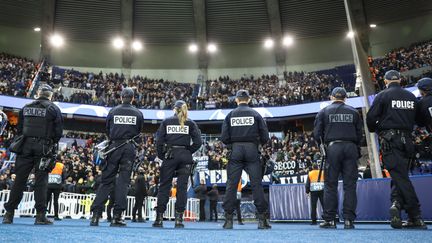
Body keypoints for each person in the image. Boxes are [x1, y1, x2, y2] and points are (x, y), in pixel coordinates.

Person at [366, 70, 427, 230]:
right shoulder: (411, 96)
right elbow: (420, 120)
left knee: (400, 177)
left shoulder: (382, 95)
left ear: (385, 81)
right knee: (400, 175)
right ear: (400, 80)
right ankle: (397, 204)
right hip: (408, 141)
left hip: (390, 141)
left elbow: (371, 120)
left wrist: (381, 130)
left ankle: (416, 216)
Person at [3, 84, 63, 225]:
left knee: (19, 180)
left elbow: (19, 129)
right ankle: (40, 216)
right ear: (50, 96)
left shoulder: (26, 107)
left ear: (38, 94)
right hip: (43, 148)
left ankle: (9, 214)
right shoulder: (54, 109)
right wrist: (50, 143)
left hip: (25, 147)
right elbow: (58, 132)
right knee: (41, 181)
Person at [90, 88, 144, 227]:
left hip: (114, 147)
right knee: (123, 183)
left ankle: (95, 215)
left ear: (121, 97)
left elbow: (107, 129)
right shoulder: (138, 113)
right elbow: (138, 132)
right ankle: (117, 217)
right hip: (128, 148)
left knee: (106, 181)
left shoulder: (113, 111)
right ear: (132, 98)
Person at [221, 89, 270, 230]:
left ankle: (228, 220)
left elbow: (224, 138)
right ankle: (262, 220)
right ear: (248, 99)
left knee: (231, 184)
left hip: (235, 150)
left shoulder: (230, 115)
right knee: (256, 184)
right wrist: (255, 144)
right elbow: (265, 137)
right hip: (252, 150)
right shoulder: (256, 114)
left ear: (236, 100)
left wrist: (233, 145)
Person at [313, 87, 362, 229]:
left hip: (333, 148)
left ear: (331, 97)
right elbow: (360, 134)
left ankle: (330, 219)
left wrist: (322, 146)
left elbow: (317, 134)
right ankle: (348, 220)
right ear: (345, 98)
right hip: (351, 147)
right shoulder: (354, 112)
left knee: (330, 185)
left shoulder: (323, 112)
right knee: (350, 185)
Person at [152, 100, 202, 228]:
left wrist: (162, 156)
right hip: (185, 156)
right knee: (182, 188)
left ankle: (159, 218)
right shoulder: (190, 123)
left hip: (170, 155)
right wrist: (187, 152)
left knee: (164, 186)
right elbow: (198, 142)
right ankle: (179, 219)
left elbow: (159, 142)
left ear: (174, 109)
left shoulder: (166, 122)